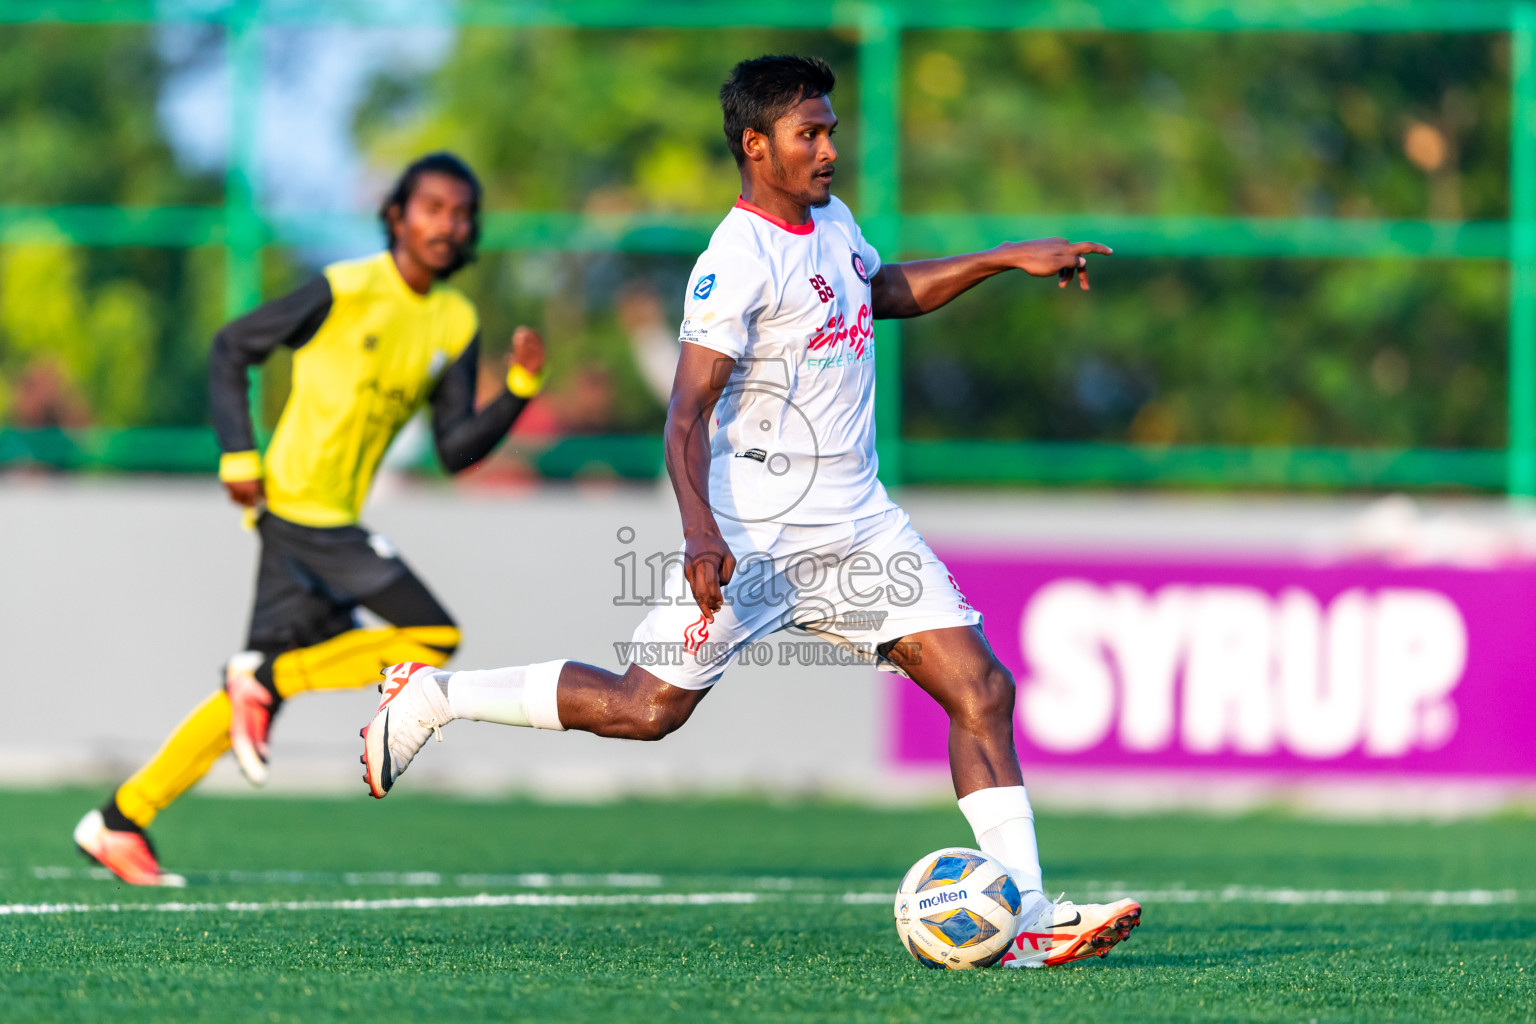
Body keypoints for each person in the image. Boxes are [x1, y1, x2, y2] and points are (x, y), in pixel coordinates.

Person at [359, 57, 1139, 968]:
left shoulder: (833, 223)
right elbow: (684, 415)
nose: (831, 149)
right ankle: (433, 697)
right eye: (811, 134)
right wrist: (700, 530)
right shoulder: (733, 263)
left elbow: (878, 291)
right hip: (754, 537)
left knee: (983, 691)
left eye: (833, 129)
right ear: (754, 144)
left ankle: (1031, 918)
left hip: (858, 525)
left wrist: (1004, 258)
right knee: (644, 708)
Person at [73, 152, 548, 886]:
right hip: (299, 511)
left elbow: (455, 451)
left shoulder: (456, 321)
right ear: (396, 216)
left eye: (461, 214)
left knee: (247, 704)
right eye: (432, 208)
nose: (447, 225)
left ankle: (121, 818)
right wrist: (238, 453)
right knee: (433, 634)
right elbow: (232, 347)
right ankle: (264, 677)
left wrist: (517, 389)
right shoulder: (345, 288)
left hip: (323, 523)